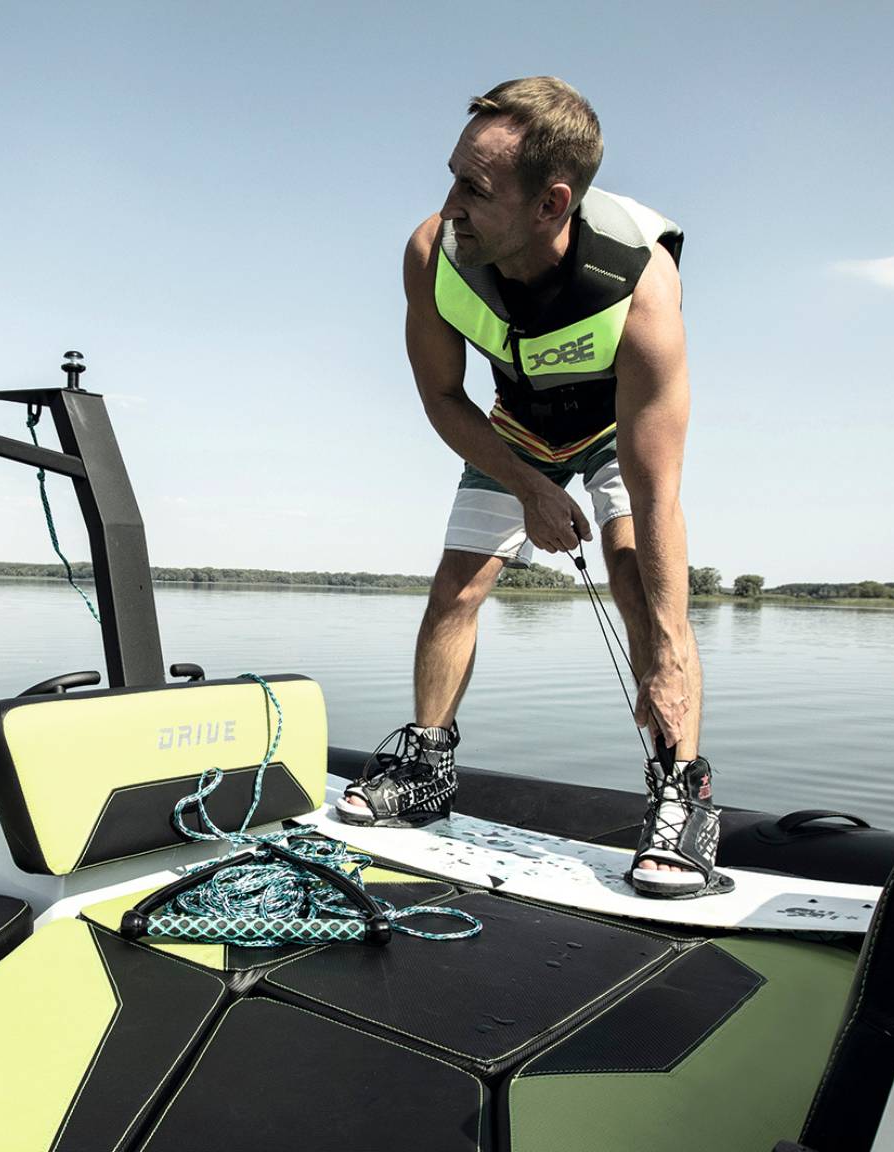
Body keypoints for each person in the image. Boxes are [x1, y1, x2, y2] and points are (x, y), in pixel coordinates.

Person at [336, 76, 719, 896]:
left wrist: (669, 656)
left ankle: (682, 793)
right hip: (512, 432)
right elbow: (442, 397)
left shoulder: (640, 290)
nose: (451, 207)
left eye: (475, 189)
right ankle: (427, 766)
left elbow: (658, 502)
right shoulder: (432, 253)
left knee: (635, 579)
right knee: (456, 588)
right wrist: (530, 487)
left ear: (551, 204)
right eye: (451, 177)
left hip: (614, 431)